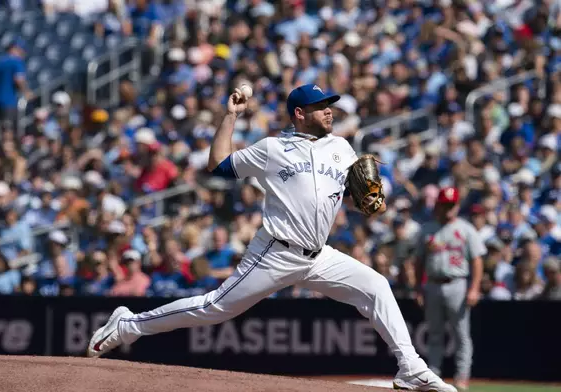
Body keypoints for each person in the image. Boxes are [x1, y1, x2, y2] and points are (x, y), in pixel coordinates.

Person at [87, 84, 457, 392]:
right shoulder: (271, 149)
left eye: (329, 106)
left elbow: (359, 194)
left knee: (376, 286)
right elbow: (219, 163)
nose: (329, 111)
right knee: (213, 308)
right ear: (299, 113)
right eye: (320, 106)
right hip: (275, 253)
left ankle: (410, 366)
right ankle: (126, 325)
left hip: (319, 256)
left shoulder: (342, 148)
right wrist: (230, 115)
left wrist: (371, 198)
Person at [414, 187, 486, 391]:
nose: (448, 209)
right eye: (444, 204)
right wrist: (418, 288)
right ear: (438, 205)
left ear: (456, 206)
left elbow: (477, 261)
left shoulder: (466, 229)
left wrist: (474, 288)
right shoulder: (427, 229)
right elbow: (418, 262)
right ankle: (434, 375)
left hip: (457, 284)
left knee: (461, 334)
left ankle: (462, 377)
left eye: (451, 205)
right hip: (433, 284)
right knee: (434, 333)